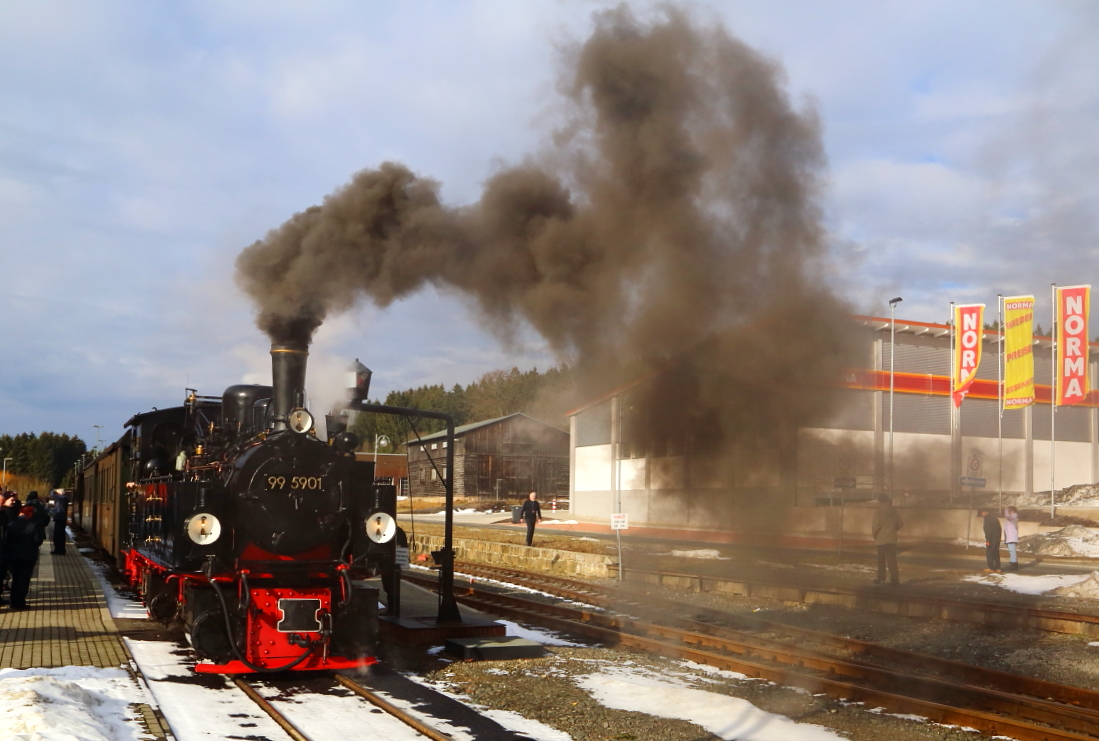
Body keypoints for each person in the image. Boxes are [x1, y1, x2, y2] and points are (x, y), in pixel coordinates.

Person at [3, 506, 41, 610]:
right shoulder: (34, 525)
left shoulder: (11, 524)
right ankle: (19, 602)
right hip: (28, 557)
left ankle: (13, 602)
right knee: (23, 580)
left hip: (13, 556)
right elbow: (38, 541)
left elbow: (6, 539)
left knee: (15, 579)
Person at [871, 493, 903, 585]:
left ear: (880, 501)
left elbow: (876, 525)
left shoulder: (879, 511)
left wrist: (874, 535)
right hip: (892, 538)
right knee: (892, 560)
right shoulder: (894, 510)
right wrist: (893, 529)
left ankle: (881, 578)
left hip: (881, 539)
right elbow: (900, 523)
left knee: (881, 560)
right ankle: (895, 580)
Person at [980, 508, 1002, 573]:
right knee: (996, 553)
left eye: (982, 512)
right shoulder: (995, 519)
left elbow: (988, 531)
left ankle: (991, 568)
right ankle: (998, 568)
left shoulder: (987, 519)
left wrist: (988, 540)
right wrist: (998, 538)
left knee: (989, 553)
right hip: (997, 538)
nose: (981, 514)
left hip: (991, 539)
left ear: (985, 512)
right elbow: (999, 529)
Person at [49, 489, 69, 555]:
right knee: (59, 536)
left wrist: (54, 490)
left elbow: (52, 493)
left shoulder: (62, 498)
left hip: (60, 519)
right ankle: (59, 550)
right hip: (61, 519)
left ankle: (59, 550)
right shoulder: (63, 499)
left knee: (58, 536)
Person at [1003, 506, 1020, 571]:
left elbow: (1007, 516)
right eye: (1009, 510)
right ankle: (1012, 562)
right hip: (1009, 537)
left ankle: (1014, 563)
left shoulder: (1014, 516)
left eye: (1010, 510)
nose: (1009, 512)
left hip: (1012, 537)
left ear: (1013, 511)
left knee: (1012, 551)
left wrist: (1005, 508)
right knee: (1011, 551)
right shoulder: (1010, 518)